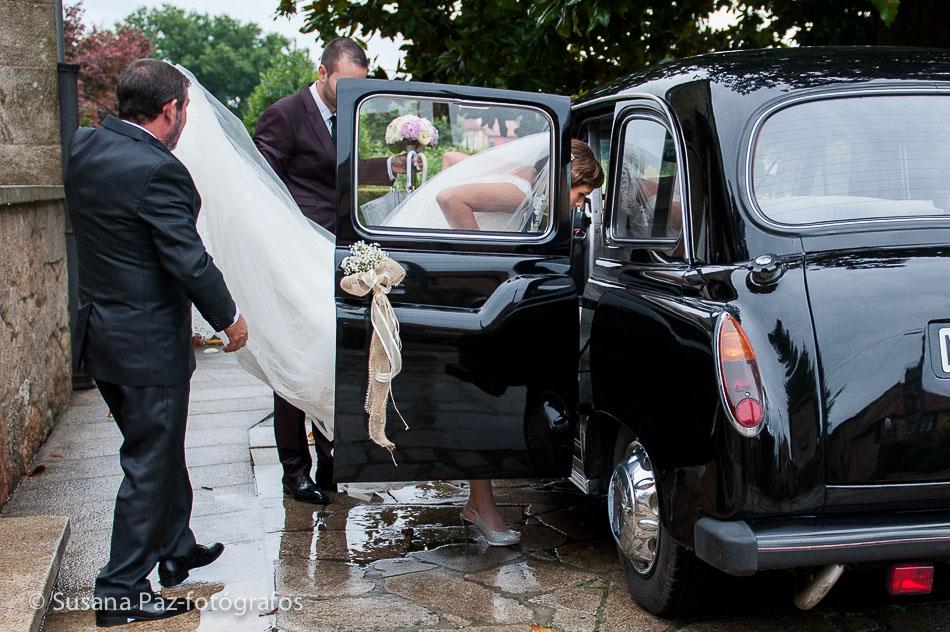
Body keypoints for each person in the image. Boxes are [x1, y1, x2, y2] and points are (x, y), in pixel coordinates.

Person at [64, 59, 248, 627]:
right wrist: (229, 317)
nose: (187, 118)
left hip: (103, 335)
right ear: (170, 110)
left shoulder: (83, 150)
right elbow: (186, 259)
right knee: (148, 461)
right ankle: (119, 589)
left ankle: (177, 547)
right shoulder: (158, 169)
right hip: (146, 345)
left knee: (157, 448)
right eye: (186, 108)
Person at [251, 38, 419, 505]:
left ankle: (330, 458)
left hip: (338, 254)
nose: (352, 95)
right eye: (345, 84)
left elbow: (339, 169)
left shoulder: (349, 114)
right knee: (295, 360)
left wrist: (390, 166)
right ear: (322, 72)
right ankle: (294, 471)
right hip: (294, 256)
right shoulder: (284, 115)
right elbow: (262, 182)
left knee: (333, 357)